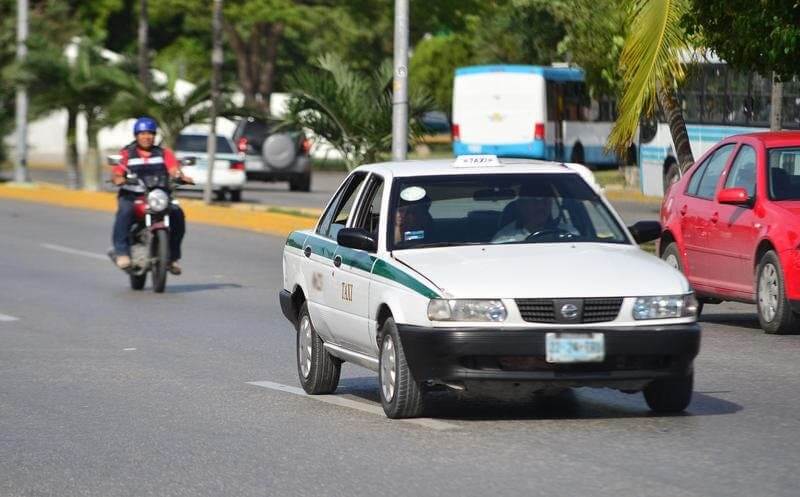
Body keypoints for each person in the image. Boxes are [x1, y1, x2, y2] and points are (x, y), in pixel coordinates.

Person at [111, 117, 193, 273]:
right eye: (142, 133)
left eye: (150, 133)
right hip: (133, 196)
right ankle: (122, 252)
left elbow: (173, 169)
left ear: (154, 136)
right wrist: (119, 178)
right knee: (125, 212)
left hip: (158, 196)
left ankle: (172, 258)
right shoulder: (127, 153)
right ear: (136, 135)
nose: (146, 137)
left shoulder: (164, 153)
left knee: (177, 215)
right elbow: (117, 172)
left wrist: (180, 176)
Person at [492, 182, 574, 243]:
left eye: (546, 201)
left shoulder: (568, 233)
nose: (542, 206)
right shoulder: (505, 239)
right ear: (521, 206)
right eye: (535, 201)